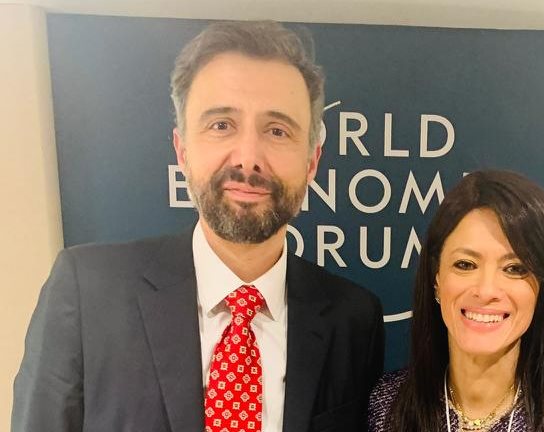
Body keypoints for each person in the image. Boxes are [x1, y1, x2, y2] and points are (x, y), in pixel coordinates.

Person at [13, 20, 384, 432]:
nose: (247, 158)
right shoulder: (87, 294)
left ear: (311, 162)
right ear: (182, 150)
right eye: (221, 125)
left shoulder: (354, 319)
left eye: (277, 130)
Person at [368, 170, 544, 432]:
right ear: (437, 279)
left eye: (515, 268)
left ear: (543, 288)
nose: (486, 290)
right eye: (465, 264)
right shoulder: (389, 406)